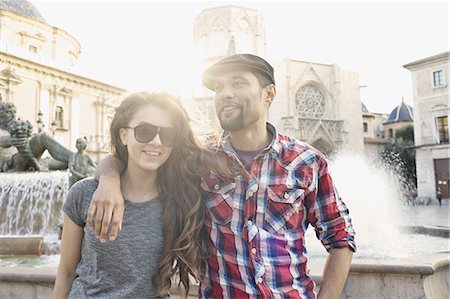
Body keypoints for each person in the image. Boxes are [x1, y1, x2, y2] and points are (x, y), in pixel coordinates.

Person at [89, 54, 356, 298]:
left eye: (238, 84)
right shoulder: (197, 158)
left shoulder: (306, 162)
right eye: (218, 88)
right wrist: (109, 181)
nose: (225, 94)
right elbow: (130, 157)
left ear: (269, 94)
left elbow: (341, 238)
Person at [53, 91, 215, 298]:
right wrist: (109, 178)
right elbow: (66, 272)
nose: (156, 141)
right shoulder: (84, 193)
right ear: (124, 135)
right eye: (144, 131)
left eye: (167, 135)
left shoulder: (181, 200)